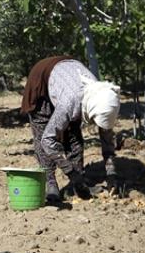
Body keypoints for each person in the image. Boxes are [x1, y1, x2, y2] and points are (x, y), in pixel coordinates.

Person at [21, 56, 121, 205]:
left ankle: (79, 185)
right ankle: (51, 184)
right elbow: (47, 141)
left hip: (67, 81)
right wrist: (70, 171)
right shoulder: (70, 103)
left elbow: (106, 139)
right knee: (43, 133)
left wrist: (111, 173)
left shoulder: (104, 100)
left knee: (74, 138)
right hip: (41, 80)